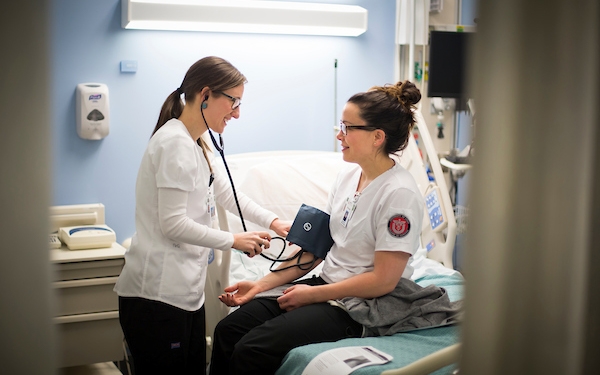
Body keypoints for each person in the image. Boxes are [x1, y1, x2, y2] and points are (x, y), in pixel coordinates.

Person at [209, 80, 426, 375]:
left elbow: (383, 282)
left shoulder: (398, 193)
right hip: (326, 286)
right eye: (341, 126)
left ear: (377, 137)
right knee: (229, 329)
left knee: (253, 349)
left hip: (360, 306)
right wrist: (260, 285)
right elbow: (315, 250)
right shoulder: (348, 178)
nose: (340, 135)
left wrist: (311, 295)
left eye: (348, 128)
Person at [114, 56, 291, 375]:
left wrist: (274, 222)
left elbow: (227, 193)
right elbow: (173, 224)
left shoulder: (197, 142)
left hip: (183, 294)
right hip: (157, 296)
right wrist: (233, 240)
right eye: (234, 101)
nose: (238, 113)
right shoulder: (174, 144)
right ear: (206, 94)